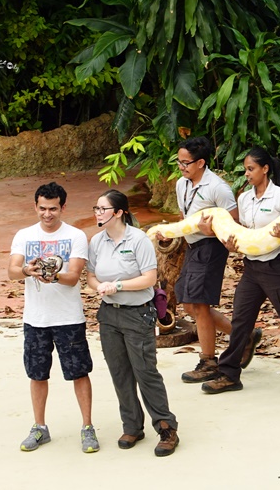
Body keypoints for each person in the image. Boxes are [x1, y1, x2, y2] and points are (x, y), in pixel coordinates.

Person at [201, 147, 280, 394]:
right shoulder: (244, 198)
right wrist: (227, 240)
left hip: (276, 267)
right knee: (241, 320)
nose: (247, 174)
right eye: (245, 169)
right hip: (251, 268)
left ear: (265, 169)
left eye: (251, 169)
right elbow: (244, 230)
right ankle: (229, 374)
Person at [86, 189, 179, 456]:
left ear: (118, 212)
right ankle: (132, 425)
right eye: (96, 208)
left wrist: (118, 285)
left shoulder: (138, 239)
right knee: (119, 372)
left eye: (102, 209)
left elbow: (149, 278)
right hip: (109, 315)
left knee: (145, 371)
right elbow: (91, 276)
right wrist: (99, 287)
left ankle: (166, 427)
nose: (97, 213)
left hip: (137, 314)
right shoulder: (97, 241)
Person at [155, 136, 256, 383]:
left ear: (201, 162)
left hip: (211, 247)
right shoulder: (182, 184)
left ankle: (209, 361)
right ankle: (245, 336)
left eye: (186, 162)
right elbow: (184, 216)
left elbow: (234, 223)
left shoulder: (217, 188)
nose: (181, 166)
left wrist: (211, 231)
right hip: (192, 246)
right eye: (178, 162)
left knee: (199, 305)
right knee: (189, 304)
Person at [8, 182, 99, 453]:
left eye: (53, 209)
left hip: (68, 318)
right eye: (43, 208)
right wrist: (27, 270)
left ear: (63, 208)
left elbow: (72, 278)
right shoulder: (24, 235)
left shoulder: (76, 236)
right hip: (35, 319)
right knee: (37, 374)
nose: (47, 214)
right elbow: (12, 271)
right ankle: (39, 427)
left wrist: (51, 274)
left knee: (79, 372)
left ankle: (87, 427)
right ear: (35, 207)